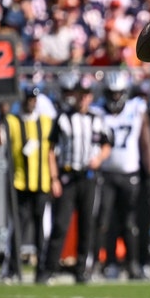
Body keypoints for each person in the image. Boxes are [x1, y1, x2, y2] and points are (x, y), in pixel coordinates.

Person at [36, 73, 111, 285]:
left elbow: (107, 144)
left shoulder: (97, 119)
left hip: (88, 177)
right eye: (80, 94)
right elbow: (50, 149)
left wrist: (99, 158)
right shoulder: (62, 118)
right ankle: (48, 269)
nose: (83, 99)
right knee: (60, 224)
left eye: (86, 95)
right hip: (68, 175)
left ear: (90, 97)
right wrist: (54, 178)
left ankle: (81, 270)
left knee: (87, 225)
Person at [94, 70, 150, 280]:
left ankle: (133, 264)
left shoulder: (135, 108)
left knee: (131, 223)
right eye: (111, 93)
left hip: (130, 174)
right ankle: (109, 263)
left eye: (117, 93)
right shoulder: (97, 112)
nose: (114, 97)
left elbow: (146, 142)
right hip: (106, 173)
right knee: (107, 222)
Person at [0, 85, 55, 284]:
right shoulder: (12, 121)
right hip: (20, 183)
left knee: (40, 230)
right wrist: (0, 117)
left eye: (34, 98)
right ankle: (12, 269)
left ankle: (42, 271)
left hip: (42, 183)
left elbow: (52, 151)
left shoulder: (45, 123)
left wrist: (54, 178)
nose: (31, 101)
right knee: (18, 228)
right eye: (29, 98)